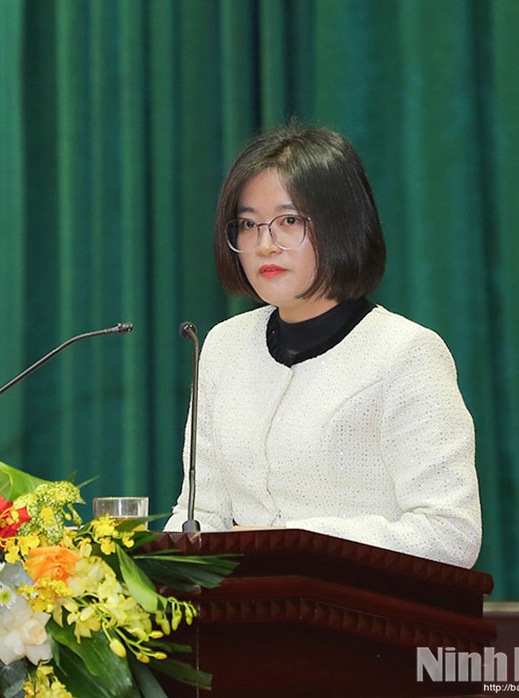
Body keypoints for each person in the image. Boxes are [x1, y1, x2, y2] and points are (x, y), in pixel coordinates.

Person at [163, 123, 481, 568]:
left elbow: (450, 534)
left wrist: (292, 542)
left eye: (289, 221)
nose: (265, 245)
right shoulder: (223, 346)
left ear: (341, 225)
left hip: (360, 605)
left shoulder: (405, 353)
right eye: (249, 224)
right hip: (244, 607)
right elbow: (203, 515)